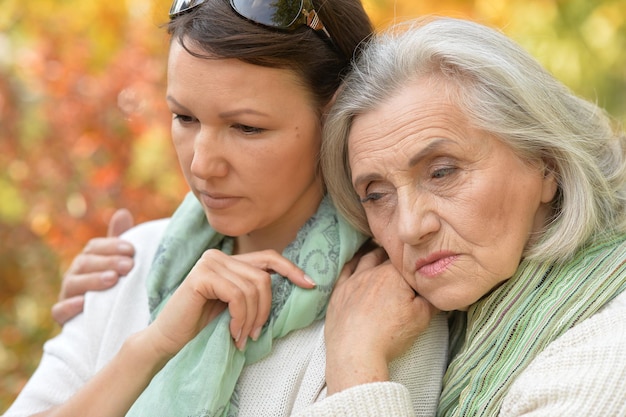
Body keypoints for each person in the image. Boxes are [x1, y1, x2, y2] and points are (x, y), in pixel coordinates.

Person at [3, 1, 449, 416]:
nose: (202, 164)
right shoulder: (130, 263)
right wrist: (150, 348)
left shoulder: (387, 310)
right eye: (185, 118)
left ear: (336, 116)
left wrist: (356, 356)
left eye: (245, 127)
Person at [294, 16, 626, 416]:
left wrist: (354, 365)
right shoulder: (439, 326)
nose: (410, 227)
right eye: (377, 194)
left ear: (546, 165)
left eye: (442, 172)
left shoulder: (605, 353)